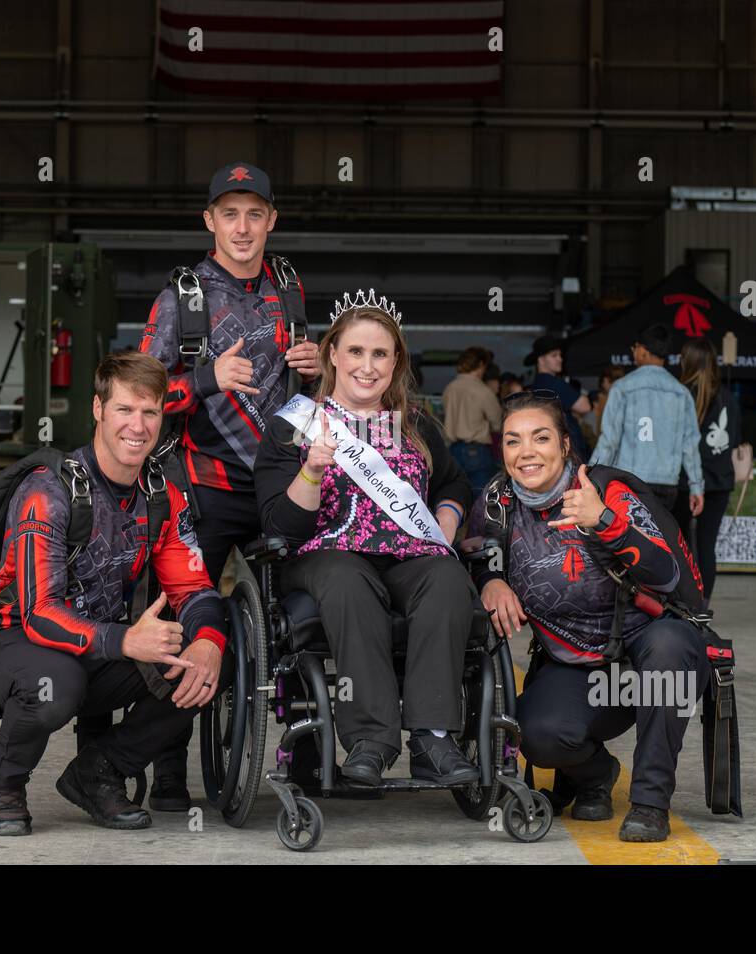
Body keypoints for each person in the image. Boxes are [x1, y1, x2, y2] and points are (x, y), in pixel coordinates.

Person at [0, 351, 226, 835]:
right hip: (10, 642)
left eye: (150, 412)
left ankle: (98, 771)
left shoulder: (162, 495)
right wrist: (126, 641)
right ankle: (6, 783)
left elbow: (194, 587)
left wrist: (209, 641)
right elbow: (39, 613)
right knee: (57, 683)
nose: (138, 426)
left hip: (97, 645)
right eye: (125, 409)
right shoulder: (49, 491)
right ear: (98, 409)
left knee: (207, 665)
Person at [138, 161, 319, 810]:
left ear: (272, 221)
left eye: (254, 215)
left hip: (282, 485)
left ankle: (308, 758)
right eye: (230, 214)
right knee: (180, 621)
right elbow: (142, 398)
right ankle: (166, 772)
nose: (242, 228)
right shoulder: (182, 298)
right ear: (209, 221)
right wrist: (205, 380)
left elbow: (304, 389)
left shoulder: (288, 287)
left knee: (306, 615)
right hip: (205, 487)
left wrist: (316, 366)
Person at [254, 293, 478, 787]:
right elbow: (279, 527)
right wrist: (312, 471)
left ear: (395, 361)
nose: (367, 366)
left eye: (380, 354)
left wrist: (445, 520)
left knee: (446, 577)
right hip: (324, 557)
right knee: (347, 581)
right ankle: (371, 740)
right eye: (356, 351)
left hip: (408, 555)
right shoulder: (293, 426)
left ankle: (433, 738)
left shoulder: (416, 424)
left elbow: (455, 483)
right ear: (332, 354)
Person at [468, 393, 709, 842]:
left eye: (541, 438)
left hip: (651, 660)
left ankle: (650, 803)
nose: (526, 452)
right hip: (578, 667)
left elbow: (666, 572)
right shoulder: (497, 502)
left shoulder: (606, 491)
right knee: (538, 735)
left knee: (669, 645)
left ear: (564, 445)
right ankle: (596, 775)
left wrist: (605, 521)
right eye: (513, 441)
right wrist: (491, 580)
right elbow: (479, 553)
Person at [589, 323, 703, 515]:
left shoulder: (622, 388)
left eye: (634, 348)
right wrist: (696, 486)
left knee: (629, 533)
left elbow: (609, 441)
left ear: (642, 350)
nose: (634, 352)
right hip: (667, 484)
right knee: (659, 533)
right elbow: (690, 445)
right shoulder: (681, 393)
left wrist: (592, 477)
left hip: (630, 481)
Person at [672, 339, 739, 602]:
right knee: (707, 546)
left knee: (680, 545)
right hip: (719, 480)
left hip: (684, 482)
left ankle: (682, 603)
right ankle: (703, 607)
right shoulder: (727, 397)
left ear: (687, 361)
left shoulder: (680, 394)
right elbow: (735, 439)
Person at [442, 346, 502, 497]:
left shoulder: (449, 388)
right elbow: (498, 423)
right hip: (478, 451)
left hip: (453, 450)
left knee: (457, 495)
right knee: (480, 498)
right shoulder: (483, 390)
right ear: (481, 364)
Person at [525, 335, 592, 459]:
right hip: (568, 451)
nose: (560, 359)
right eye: (554, 355)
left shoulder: (537, 384)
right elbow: (585, 406)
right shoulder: (551, 382)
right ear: (541, 360)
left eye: (560, 355)